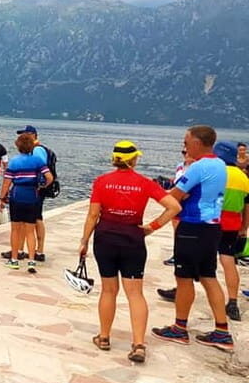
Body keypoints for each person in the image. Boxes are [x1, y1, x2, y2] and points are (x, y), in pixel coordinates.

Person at [78, 141, 181, 363]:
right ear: (134, 159)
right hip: (133, 239)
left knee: (108, 290)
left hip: (105, 239)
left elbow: (93, 215)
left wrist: (84, 241)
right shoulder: (145, 183)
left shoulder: (101, 181)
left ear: (114, 159)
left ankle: (104, 337)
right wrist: (152, 227)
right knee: (135, 293)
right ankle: (138, 344)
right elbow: (174, 206)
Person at [151, 125, 233, 352]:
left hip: (192, 226)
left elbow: (174, 197)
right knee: (209, 276)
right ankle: (222, 331)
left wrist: (154, 199)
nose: (184, 147)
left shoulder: (198, 167)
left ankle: (179, 328)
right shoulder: (220, 165)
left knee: (184, 278)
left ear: (197, 143)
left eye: (186, 143)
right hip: (212, 227)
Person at [156, 141, 249, 322]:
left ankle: (180, 296)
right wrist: (244, 227)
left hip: (205, 222)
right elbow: (246, 205)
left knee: (188, 266)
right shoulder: (243, 178)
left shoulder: (212, 170)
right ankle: (232, 302)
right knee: (226, 261)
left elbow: (184, 193)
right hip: (232, 223)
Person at [0, 133, 52, 273]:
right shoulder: (37, 161)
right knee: (30, 230)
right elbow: (49, 177)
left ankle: (14, 259)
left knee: (15, 229)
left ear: (18, 146)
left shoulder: (14, 162)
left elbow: (6, 183)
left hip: (17, 195)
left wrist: (1, 198)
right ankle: (31, 261)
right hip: (32, 196)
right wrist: (41, 186)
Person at [14, 125, 54, 261]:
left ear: (32, 135)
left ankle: (36, 250)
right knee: (33, 218)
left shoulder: (37, 151)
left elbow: (42, 170)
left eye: (24, 135)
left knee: (34, 219)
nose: (21, 138)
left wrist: (40, 186)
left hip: (35, 190)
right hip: (35, 189)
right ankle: (24, 249)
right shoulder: (37, 149)